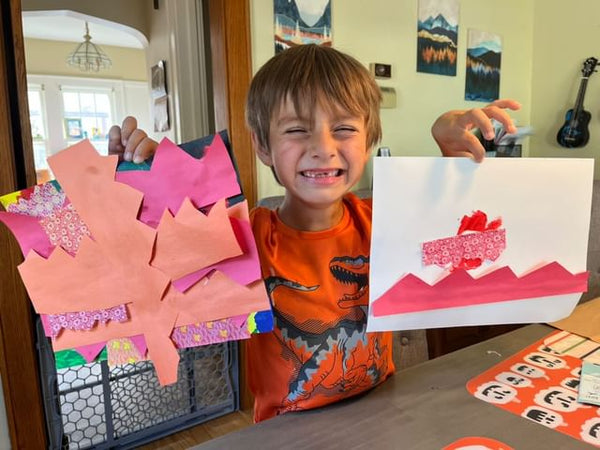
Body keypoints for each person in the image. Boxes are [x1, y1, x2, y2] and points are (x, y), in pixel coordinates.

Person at [108, 44, 520, 422]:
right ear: (263, 147)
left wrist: (452, 157)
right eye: (296, 130)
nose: (323, 147)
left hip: (384, 416)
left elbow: (459, 236)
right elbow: (156, 277)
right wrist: (138, 189)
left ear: (370, 138)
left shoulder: (386, 220)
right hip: (287, 433)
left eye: (343, 128)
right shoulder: (246, 239)